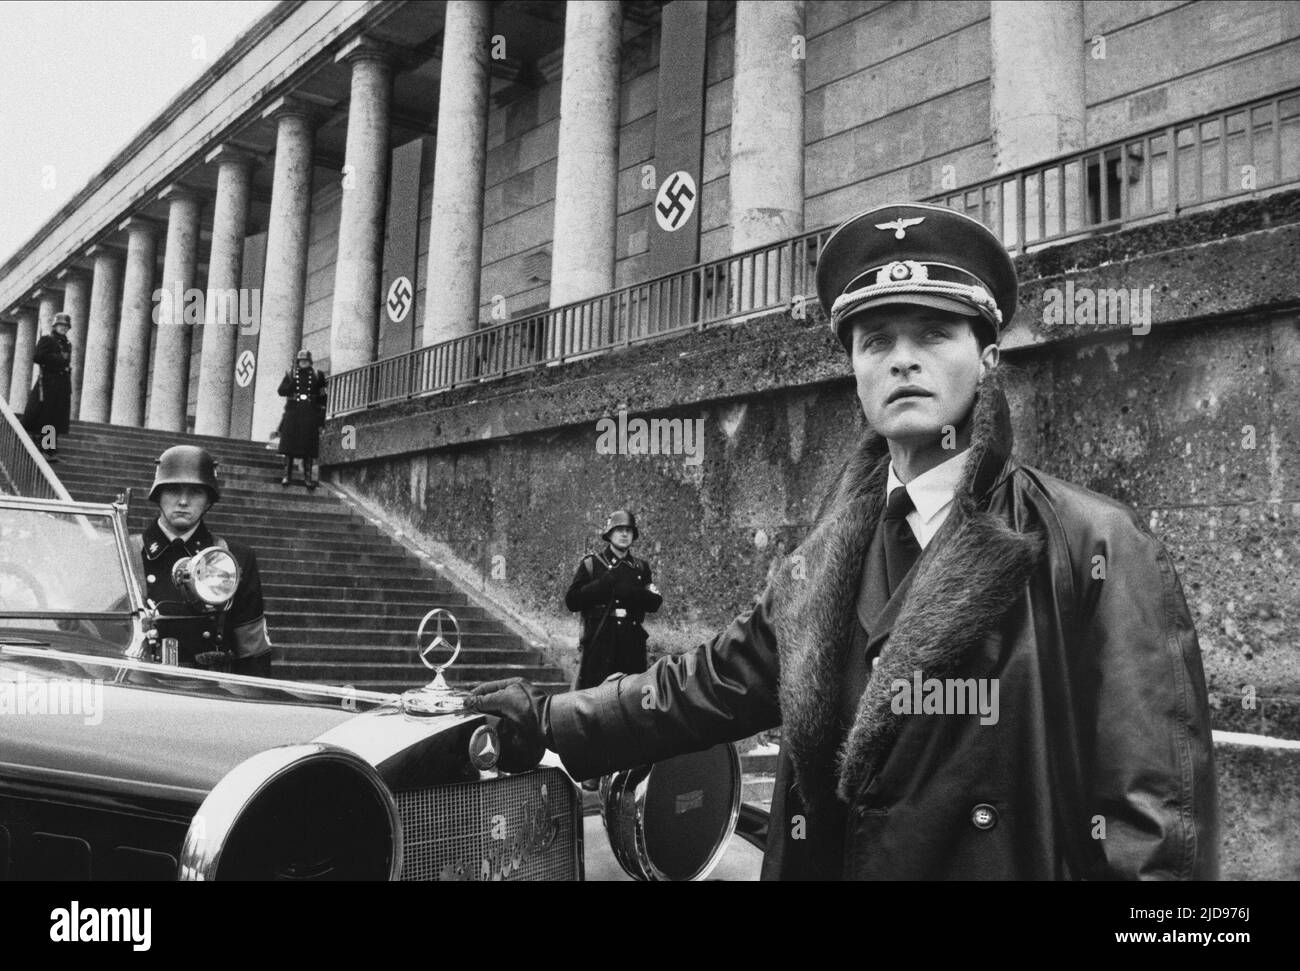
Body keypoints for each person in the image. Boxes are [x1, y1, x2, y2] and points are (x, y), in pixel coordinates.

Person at [468, 202, 1218, 881]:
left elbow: (1157, 827)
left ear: (988, 357)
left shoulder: (1095, 544)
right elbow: (709, 683)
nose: (902, 358)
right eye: (876, 339)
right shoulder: (825, 556)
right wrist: (548, 720)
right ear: (855, 370)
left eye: (933, 333)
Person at [140, 444, 273, 676]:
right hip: (140, 689)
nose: (183, 501)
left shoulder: (235, 558)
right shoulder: (128, 552)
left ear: (209, 500)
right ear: (157, 495)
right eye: (172, 490)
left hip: (210, 691)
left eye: (196, 492)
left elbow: (253, 649)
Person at [565, 510, 663, 690]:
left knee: (632, 698)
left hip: (631, 642)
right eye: (619, 529)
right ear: (609, 534)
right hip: (600, 641)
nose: (624, 534)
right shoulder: (592, 564)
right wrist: (601, 585)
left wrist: (630, 592)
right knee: (594, 698)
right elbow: (572, 601)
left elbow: (655, 602)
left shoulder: (641, 568)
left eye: (629, 530)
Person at [22, 311, 73, 463]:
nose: (63, 328)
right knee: (47, 417)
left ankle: (51, 450)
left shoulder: (67, 344)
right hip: (49, 384)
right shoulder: (47, 340)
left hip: (61, 385)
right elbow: (37, 357)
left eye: (66, 326)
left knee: (56, 418)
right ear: (55, 326)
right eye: (61, 325)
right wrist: (58, 359)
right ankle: (45, 449)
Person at [277, 349, 327, 488]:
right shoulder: (291, 374)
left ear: (310, 361)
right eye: (301, 360)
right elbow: (281, 391)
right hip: (293, 412)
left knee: (308, 447)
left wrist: (321, 419)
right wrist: (291, 384)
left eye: (305, 360)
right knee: (289, 446)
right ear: (298, 362)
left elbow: (323, 398)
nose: (303, 362)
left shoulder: (318, 375)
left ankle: (308, 478)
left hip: (310, 413)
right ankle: (287, 476)